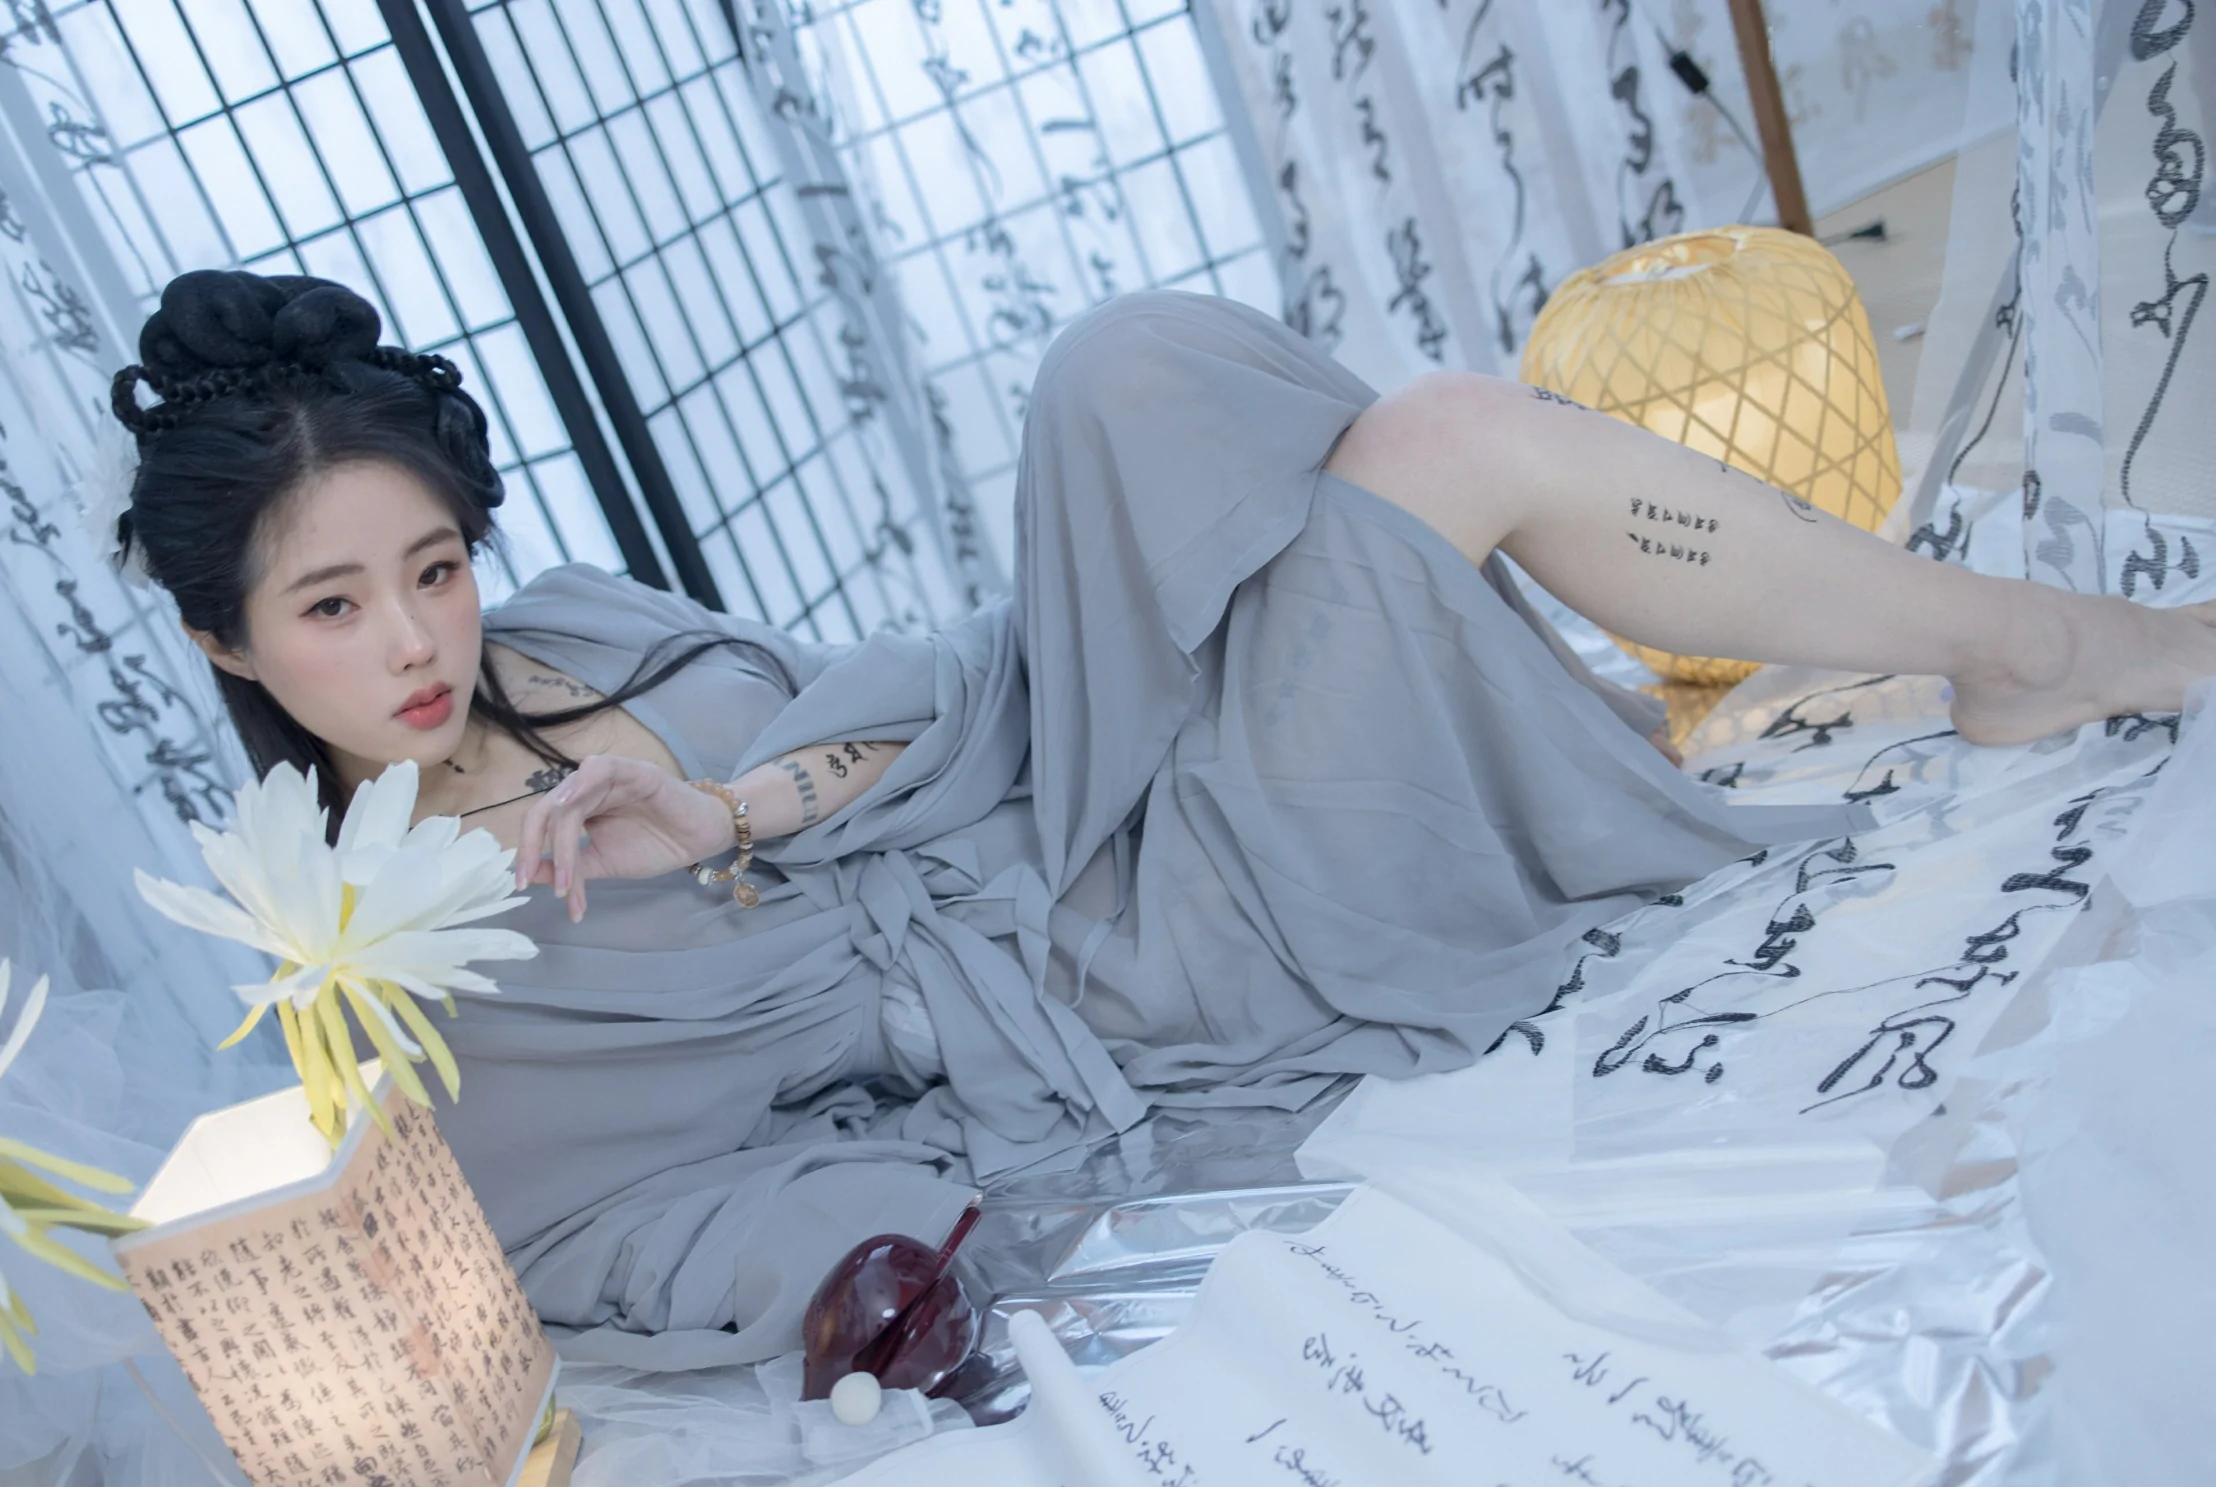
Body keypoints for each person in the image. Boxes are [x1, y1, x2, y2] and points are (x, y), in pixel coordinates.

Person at [110, 270, 2216, 1370]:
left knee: (1140, 369)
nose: (419, 637)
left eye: (436, 564)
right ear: (224, 641)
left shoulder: (576, 629)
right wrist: (859, 1256)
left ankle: (2014, 644)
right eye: (333, 606)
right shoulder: (384, 958)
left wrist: (730, 803)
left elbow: (937, 688)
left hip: (1066, 782)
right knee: (1450, 449)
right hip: (1124, 979)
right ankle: (2051, 646)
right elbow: (593, 1237)